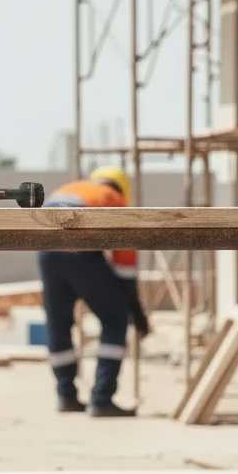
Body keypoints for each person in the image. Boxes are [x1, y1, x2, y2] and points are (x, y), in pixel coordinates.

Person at [37, 166, 150, 417]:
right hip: (81, 253)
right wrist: (136, 312)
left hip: (45, 252)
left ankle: (66, 396)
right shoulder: (113, 199)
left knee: (58, 324)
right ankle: (101, 399)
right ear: (122, 187)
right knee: (114, 320)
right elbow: (125, 265)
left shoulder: (68, 189)